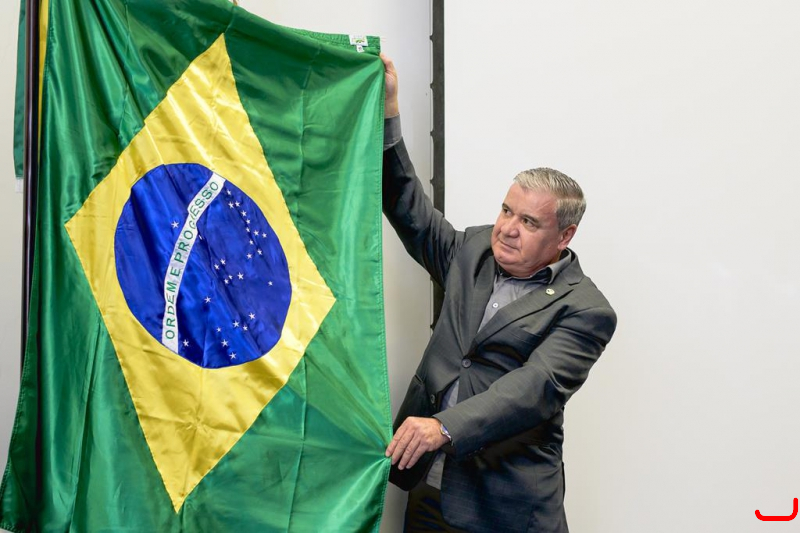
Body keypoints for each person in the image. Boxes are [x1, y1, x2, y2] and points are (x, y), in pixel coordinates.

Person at [380, 54, 618, 533]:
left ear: (564, 236)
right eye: (507, 211)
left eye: (528, 222)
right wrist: (389, 113)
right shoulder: (473, 250)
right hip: (429, 489)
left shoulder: (586, 310)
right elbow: (410, 210)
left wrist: (444, 427)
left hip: (503, 508)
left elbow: (532, 390)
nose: (507, 228)